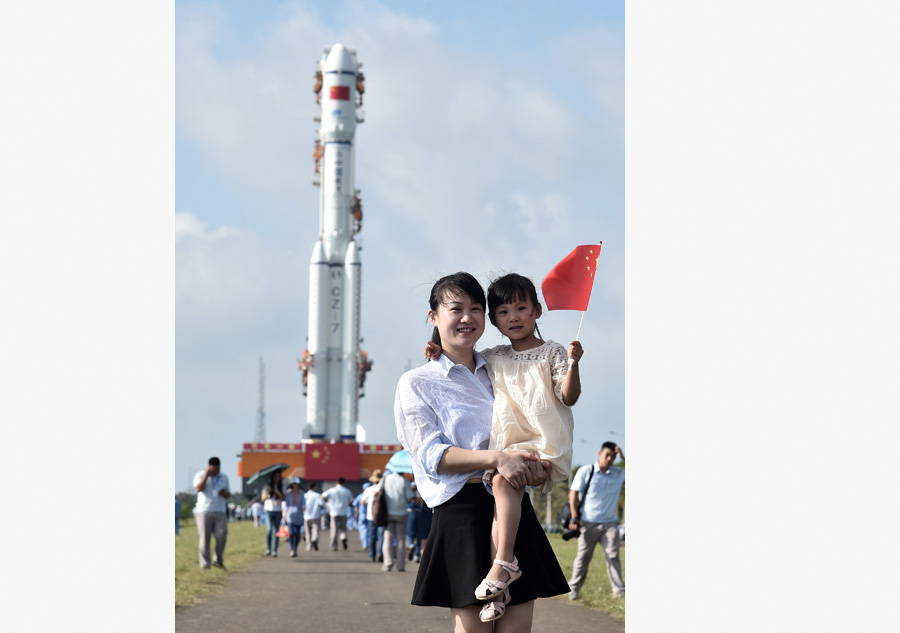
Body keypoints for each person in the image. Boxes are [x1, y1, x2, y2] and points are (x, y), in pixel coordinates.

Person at [395, 272, 569, 631]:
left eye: (476, 309)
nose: (467, 317)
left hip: (512, 506)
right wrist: (497, 458)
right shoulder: (417, 383)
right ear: (434, 317)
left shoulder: (499, 367)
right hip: (461, 511)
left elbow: (533, 419)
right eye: (455, 308)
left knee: (516, 629)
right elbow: (434, 457)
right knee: (473, 630)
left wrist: (534, 463)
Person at [566, 442, 626, 601]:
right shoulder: (586, 471)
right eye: (607, 455)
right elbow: (573, 493)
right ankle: (574, 588)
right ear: (599, 453)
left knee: (613, 556)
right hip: (588, 522)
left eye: (613, 456)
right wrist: (574, 517)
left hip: (610, 523)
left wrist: (623, 456)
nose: (609, 458)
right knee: (583, 557)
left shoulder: (618, 473)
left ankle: (619, 591)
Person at [193, 457, 231, 569]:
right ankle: (205, 564)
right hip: (204, 510)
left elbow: (228, 495)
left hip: (220, 510)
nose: (216, 471)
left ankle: (218, 559)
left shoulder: (224, 477)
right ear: (209, 467)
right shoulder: (200, 475)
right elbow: (198, 488)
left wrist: (224, 493)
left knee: (222, 535)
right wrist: (206, 475)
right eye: (214, 469)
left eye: (218, 469)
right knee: (205, 538)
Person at [380, 469, 415, 572]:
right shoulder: (405, 481)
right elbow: (409, 499)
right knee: (401, 539)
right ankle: (400, 565)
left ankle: (388, 564)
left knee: (387, 539)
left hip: (387, 513)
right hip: (401, 513)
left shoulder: (385, 479)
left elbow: (377, 492)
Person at [321, 477, 354, 551]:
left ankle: (334, 545)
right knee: (343, 528)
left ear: (337, 482)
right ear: (344, 483)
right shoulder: (347, 491)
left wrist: (326, 500)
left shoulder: (332, 490)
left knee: (334, 529)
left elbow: (322, 496)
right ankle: (344, 537)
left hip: (333, 512)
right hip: (343, 512)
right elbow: (351, 501)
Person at [360, 470, 384, 561]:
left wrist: (369, 502)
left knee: (372, 536)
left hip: (371, 516)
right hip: (381, 516)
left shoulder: (368, 489)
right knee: (381, 537)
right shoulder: (383, 489)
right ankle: (380, 553)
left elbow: (362, 502)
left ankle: (372, 555)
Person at [282, 478, 306, 558]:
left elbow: (304, 504)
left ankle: (295, 548)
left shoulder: (302, 494)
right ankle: (292, 549)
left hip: (299, 516)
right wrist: (285, 516)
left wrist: (304, 508)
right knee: (292, 533)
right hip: (290, 516)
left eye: (296, 484)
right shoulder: (288, 494)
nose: (295, 485)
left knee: (297, 535)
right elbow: (286, 505)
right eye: (294, 484)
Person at [262, 483, 284, 557]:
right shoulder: (267, 486)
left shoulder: (282, 486)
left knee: (276, 531)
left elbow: (284, 498)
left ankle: (274, 550)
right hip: (268, 511)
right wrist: (268, 491)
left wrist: (278, 492)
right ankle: (268, 549)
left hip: (278, 511)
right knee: (269, 530)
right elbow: (263, 498)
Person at [303, 482, 325, 551]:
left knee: (307, 532)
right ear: (314, 487)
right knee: (315, 530)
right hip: (316, 516)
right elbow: (321, 504)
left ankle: (308, 546)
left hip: (306, 516)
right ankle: (314, 539)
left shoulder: (305, 495)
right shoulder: (317, 495)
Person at [353, 483, 372, 551]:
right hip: (371, 515)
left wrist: (356, 514)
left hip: (362, 515)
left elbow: (356, 506)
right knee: (370, 531)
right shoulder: (373, 494)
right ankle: (370, 544)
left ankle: (364, 544)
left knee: (363, 530)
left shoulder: (359, 496)